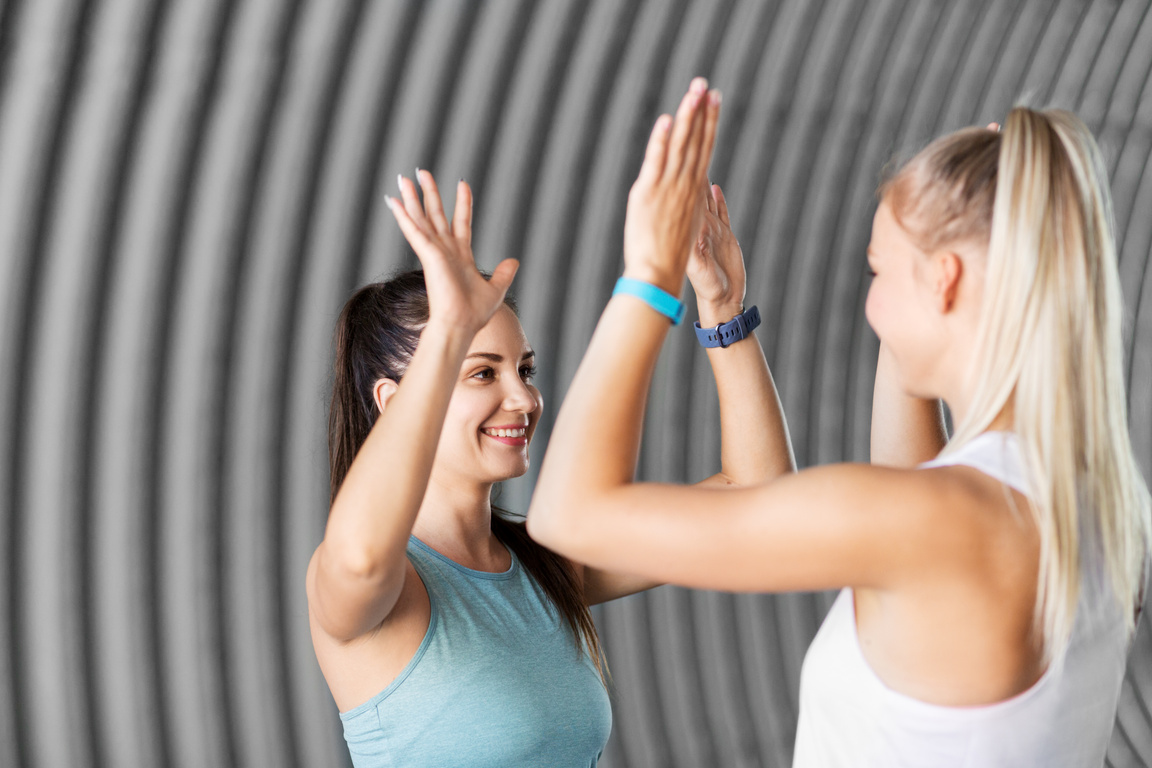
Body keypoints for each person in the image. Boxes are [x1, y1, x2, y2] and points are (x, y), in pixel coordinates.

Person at [527, 77, 1151, 767]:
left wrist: (649, 273)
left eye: (877, 272)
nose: (870, 304)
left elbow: (569, 518)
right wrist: (727, 309)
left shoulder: (940, 523)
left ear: (944, 280)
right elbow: (911, 476)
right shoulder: (1091, 508)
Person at [305, 163, 770, 767]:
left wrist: (723, 307)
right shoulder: (365, 589)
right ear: (393, 403)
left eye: (523, 369)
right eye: (481, 372)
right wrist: (448, 327)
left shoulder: (547, 565)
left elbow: (756, 501)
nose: (524, 398)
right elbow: (364, 556)